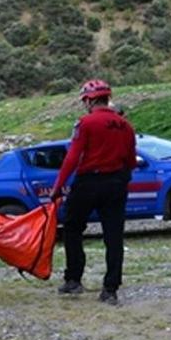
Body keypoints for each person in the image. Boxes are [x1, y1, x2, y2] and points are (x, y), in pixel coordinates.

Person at [49, 80, 137, 305]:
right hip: (116, 182)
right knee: (114, 236)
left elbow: (72, 157)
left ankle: (73, 279)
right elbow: (130, 160)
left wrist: (58, 186)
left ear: (89, 100)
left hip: (88, 181)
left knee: (73, 228)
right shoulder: (126, 126)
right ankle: (110, 288)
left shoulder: (85, 123)